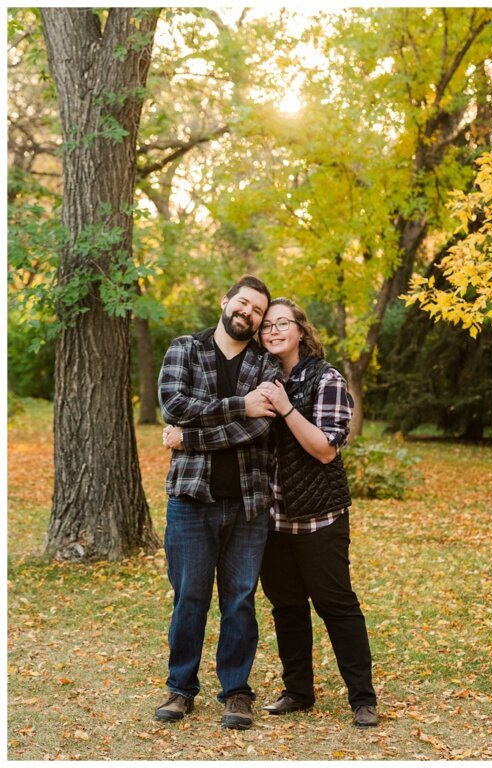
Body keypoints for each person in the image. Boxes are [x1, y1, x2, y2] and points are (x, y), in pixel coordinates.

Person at [154, 275, 282, 730]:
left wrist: (189, 440)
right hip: (191, 500)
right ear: (226, 301)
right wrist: (237, 406)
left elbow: (261, 425)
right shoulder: (184, 349)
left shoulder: (267, 364)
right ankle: (180, 689)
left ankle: (236, 693)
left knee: (240, 601)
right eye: (243, 304)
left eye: (257, 312)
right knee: (189, 598)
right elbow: (173, 405)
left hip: (249, 504)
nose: (248, 314)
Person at [251, 298, 379, 728]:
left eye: (282, 323)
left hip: (319, 516)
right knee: (286, 606)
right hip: (272, 518)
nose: (273, 331)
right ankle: (298, 691)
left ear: (301, 331)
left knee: (335, 604)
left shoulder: (327, 379)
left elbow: (325, 449)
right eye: (266, 325)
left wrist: (286, 407)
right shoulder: (260, 378)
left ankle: (362, 698)